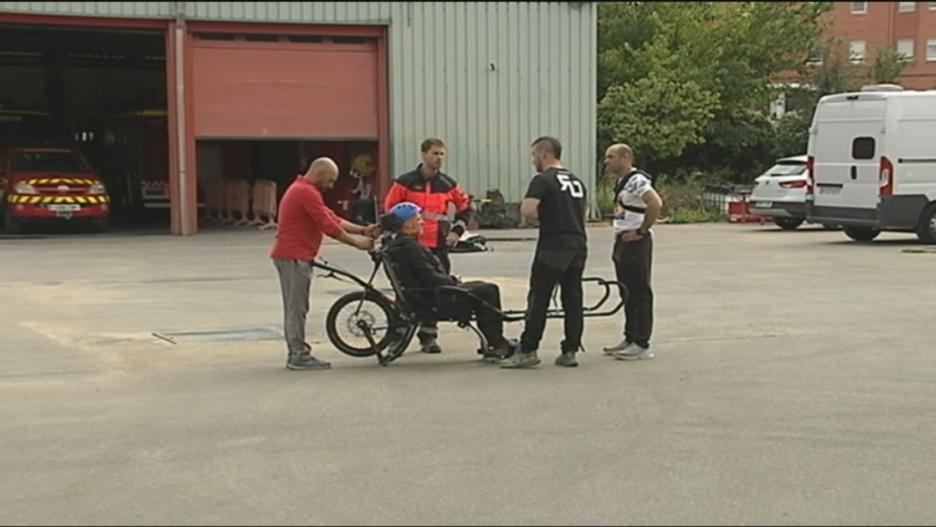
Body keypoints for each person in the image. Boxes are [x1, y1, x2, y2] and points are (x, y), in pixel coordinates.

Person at [270, 157, 377, 371]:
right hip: (294, 256)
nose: (331, 186)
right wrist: (357, 243)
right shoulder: (305, 192)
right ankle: (298, 355)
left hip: (294, 254)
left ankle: (298, 351)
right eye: (330, 181)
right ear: (319, 174)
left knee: (297, 306)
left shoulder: (304, 190)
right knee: (296, 308)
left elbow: (331, 217)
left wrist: (363, 230)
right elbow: (328, 225)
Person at [381, 202, 514, 361]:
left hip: (421, 298)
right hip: (435, 301)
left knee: (480, 286)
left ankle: (493, 342)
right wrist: (452, 282)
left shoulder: (397, 246)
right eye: (418, 219)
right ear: (408, 226)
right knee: (489, 290)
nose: (423, 221)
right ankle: (497, 343)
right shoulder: (411, 248)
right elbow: (431, 279)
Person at [500, 136, 588, 369]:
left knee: (539, 297)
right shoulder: (577, 181)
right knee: (573, 298)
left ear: (543, 154)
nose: (533, 161)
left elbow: (528, 210)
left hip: (553, 245)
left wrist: (548, 216)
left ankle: (528, 349)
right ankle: (570, 350)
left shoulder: (542, 180)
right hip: (578, 243)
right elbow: (582, 214)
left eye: (533, 155)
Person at [383, 137, 472, 354]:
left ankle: (428, 336)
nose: (439, 158)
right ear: (423, 154)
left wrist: (456, 232)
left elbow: (466, 208)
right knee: (406, 292)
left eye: (442, 154)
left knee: (437, 290)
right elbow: (390, 210)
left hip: (437, 244)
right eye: (435, 153)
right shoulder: (405, 182)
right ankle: (399, 335)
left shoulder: (448, 184)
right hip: (409, 247)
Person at [601, 143, 663, 361]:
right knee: (626, 291)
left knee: (639, 291)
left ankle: (641, 342)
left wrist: (642, 230)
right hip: (622, 241)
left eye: (611, 157)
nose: (606, 161)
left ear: (625, 157)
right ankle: (630, 337)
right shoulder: (622, 182)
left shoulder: (637, 180)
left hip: (636, 243)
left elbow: (655, 203)